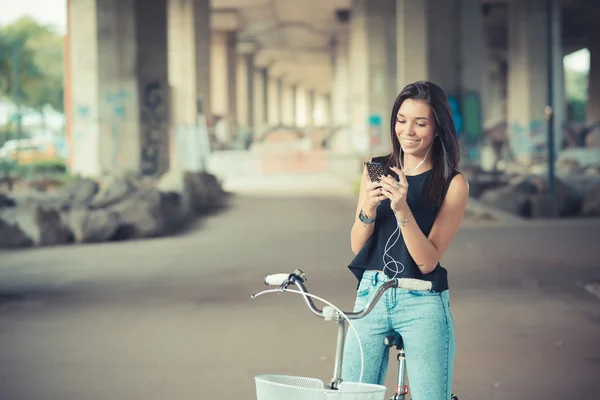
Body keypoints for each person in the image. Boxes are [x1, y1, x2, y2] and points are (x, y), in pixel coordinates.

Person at [342, 81, 469, 400]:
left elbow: (428, 260)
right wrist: (368, 208)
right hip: (371, 293)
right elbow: (359, 245)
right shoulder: (376, 169)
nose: (408, 130)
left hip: (422, 300)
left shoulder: (451, 183)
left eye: (420, 123)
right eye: (401, 120)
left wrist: (402, 209)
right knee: (352, 395)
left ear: (438, 128)